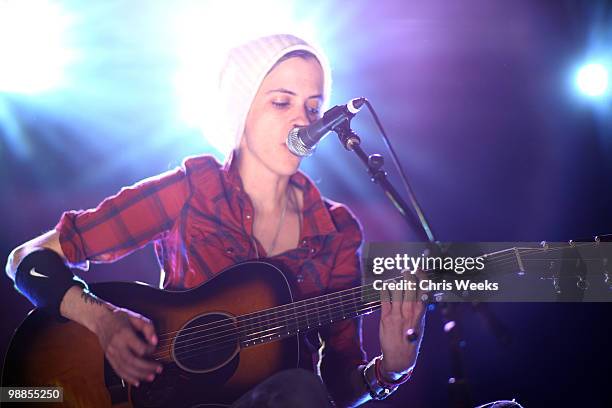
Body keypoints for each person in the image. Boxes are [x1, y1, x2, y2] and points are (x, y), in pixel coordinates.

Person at [5, 34, 426, 407]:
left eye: (313, 107)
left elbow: (335, 386)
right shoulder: (191, 187)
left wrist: (388, 371)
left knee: (300, 389)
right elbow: (26, 258)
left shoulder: (337, 230)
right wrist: (104, 320)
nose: (303, 120)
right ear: (240, 109)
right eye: (281, 102)